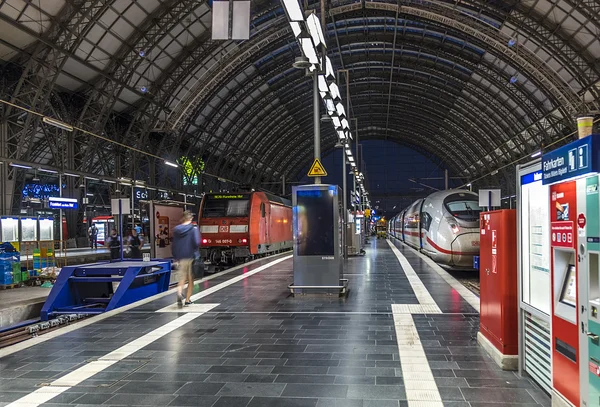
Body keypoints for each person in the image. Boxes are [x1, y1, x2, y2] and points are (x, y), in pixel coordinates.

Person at [172, 211, 200, 307]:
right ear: (191, 218)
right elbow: (196, 242)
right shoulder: (193, 229)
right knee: (190, 279)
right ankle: (187, 300)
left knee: (181, 278)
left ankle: (179, 293)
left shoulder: (176, 229)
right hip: (190, 256)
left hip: (180, 257)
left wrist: (175, 257)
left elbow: (174, 245)